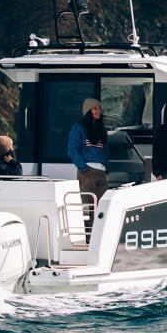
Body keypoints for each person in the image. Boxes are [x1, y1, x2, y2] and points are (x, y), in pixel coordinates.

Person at [68, 98, 109, 232]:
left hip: (102, 173)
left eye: (99, 109)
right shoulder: (79, 127)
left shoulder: (101, 129)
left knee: (101, 208)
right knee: (87, 208)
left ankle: (98, 236)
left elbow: (106, 151)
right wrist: (83, 167)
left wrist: (106, 168)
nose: (98, 111)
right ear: (88, 111)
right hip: (88, 172)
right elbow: (72, 149)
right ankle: (86, 238)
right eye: (95, 108)